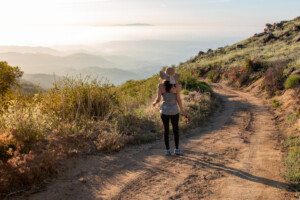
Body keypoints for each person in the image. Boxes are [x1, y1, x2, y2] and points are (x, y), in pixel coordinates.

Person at [152, 67, 187, 156]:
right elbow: (178, 100)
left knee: (166, 130)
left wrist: (154, 103)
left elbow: (159, 99)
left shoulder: (160, 86)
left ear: (164, 76)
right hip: (174, 111)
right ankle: (176, 149)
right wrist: (182, 111)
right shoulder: (177, 87)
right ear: (174, 76)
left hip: (164, 111)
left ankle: (167, 150)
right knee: (176, 130)